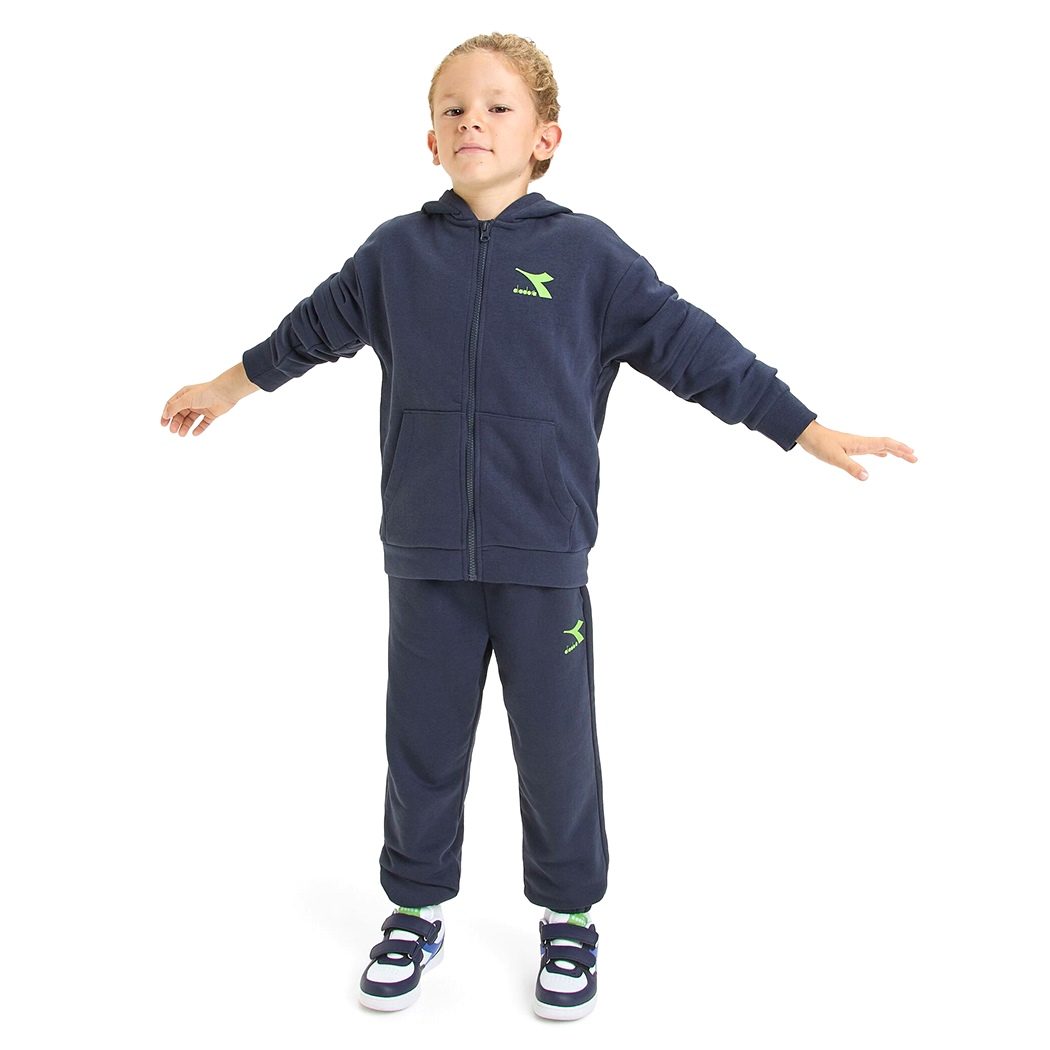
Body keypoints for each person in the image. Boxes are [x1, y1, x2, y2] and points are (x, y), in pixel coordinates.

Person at [160, 32, 917, 1021]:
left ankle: (569, 918)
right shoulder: (395, 255)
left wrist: (803, 427)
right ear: (430, 141)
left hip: (543, 557)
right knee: (422, 745)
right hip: (426, 554)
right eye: (452, 109)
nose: (471, 120)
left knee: (557, 751)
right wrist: (225, 387)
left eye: (497, 107)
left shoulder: (587, 257)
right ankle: (416, 908)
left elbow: (699, 349)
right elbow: (310, 330)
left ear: (545, 137)